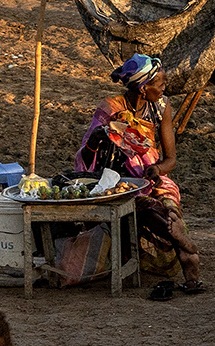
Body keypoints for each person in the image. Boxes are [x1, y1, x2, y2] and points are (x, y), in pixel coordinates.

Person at [73, 55, 207, 300]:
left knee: (168, 201)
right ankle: (185, 248)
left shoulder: (162, 107)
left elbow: (171, 159)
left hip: (151, 176)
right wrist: (98, 138)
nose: (165, 87)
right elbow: (85, 161)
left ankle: (182, 250)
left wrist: (157, 170)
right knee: (143, 207)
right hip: (117, 181)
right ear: (144, 88)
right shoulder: (110, 109)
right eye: (161, 83)